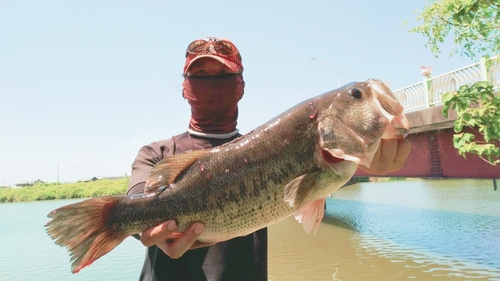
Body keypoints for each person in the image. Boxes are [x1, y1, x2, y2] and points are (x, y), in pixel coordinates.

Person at [127, 37, 412, 281]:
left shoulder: (278, 144)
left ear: (240, 86)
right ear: (186, 89)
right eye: (201, 75)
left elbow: (318, 181)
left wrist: (376, 155)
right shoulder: (156, 154)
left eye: (223, 76)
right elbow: (136, 206)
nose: (212, 83)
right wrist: (143, 229)